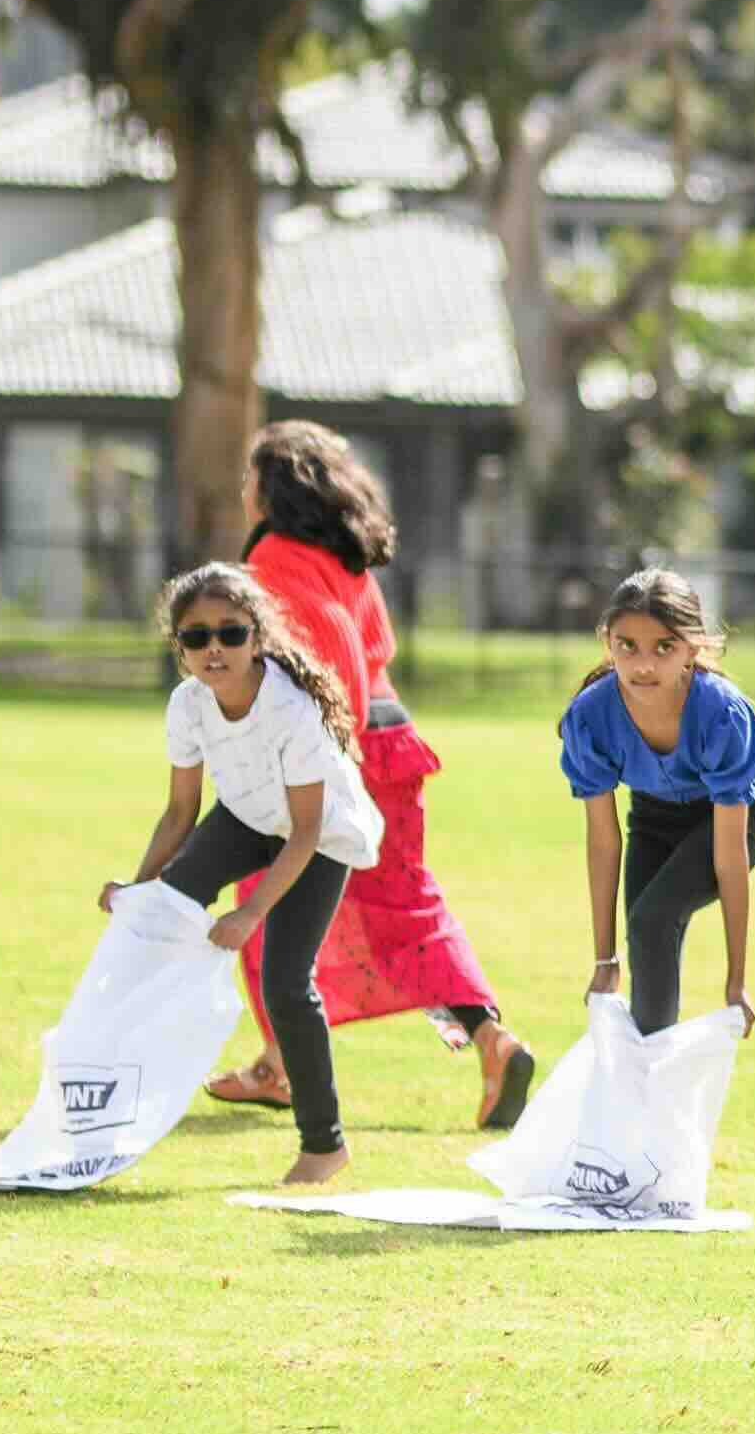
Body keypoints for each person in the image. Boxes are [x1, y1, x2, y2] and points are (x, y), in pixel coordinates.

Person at [205, 425, 528, 1132]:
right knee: (405, 902)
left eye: (250, 474)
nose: (242, 488)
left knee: (267, 895)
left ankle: (280, 1063)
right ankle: (491, 1041)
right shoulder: (342, 556)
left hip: (345, 741)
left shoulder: (271, 556)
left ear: (274, 485)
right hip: (394, 734)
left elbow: (323, 652)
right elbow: (372, 642)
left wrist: (324, 752)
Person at [117, 559, 379, 1193]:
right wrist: (140, 887)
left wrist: (249, 913)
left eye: (231, 633)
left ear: (257, 637)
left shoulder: (291, 712)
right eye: (196, 637)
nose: (215, 649)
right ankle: (120, 1090)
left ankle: (325, 1146)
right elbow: (181, 811)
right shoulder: (188, 704)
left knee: (286, 983)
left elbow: (308, 830)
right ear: (179, 649)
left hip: (318, 836)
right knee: (159, 915)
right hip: (245, 815)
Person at [558, 568, 755, 1042]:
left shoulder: (721, 715)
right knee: (645, 933)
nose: (643, 665)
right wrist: (603, 960)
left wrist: (736, 981)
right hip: (654, 816)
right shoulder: (591, 716)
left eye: (663, 648)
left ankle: (652, 1075)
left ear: (692, 648)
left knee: (653, 917)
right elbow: (603, 842)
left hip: (732, 818)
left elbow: (730, 858)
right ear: (606, 641)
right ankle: (649, 1078)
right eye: (626, 645)